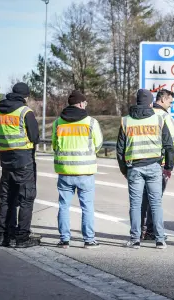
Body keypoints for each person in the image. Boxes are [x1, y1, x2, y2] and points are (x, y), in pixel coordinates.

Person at [116, 88, 174, 249]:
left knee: (135, 205)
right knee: (156, 204)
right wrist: (168, 167)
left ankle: (135, 239)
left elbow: (120, 150)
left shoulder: (126, 121)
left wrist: (124, 170)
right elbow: (169, 146)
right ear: (150, 103)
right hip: (155, 167)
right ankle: (160, 239)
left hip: (134, 167)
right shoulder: (158, 119)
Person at [52, 90, 103, 249]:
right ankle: (89, 240)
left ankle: (64, 240)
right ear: (81, 104)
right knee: (87, 206)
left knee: (63, 205)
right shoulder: (91, 122)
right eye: (85, 102)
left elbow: (54, 145)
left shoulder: (58, 123)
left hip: (65, 170)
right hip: (85, 171)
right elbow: (98, 143)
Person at [0, 82, 41, 248]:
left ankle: (3, 235)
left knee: (6, 198)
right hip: (24, 161)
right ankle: (22, 237)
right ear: (25, 97)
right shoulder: (25, 111)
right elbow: (35, 137)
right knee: (26, 198)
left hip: (5, 161)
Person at [141, 89, 174, 240]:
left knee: (142, 198)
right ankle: (151, 231)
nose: (170, 105)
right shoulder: (164, 116)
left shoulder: (145, 113)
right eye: (170, 102)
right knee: (155, 199)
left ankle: (140, 230)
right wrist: (170, 165)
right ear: (163, 99)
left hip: (141, 161)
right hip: (159, 163)